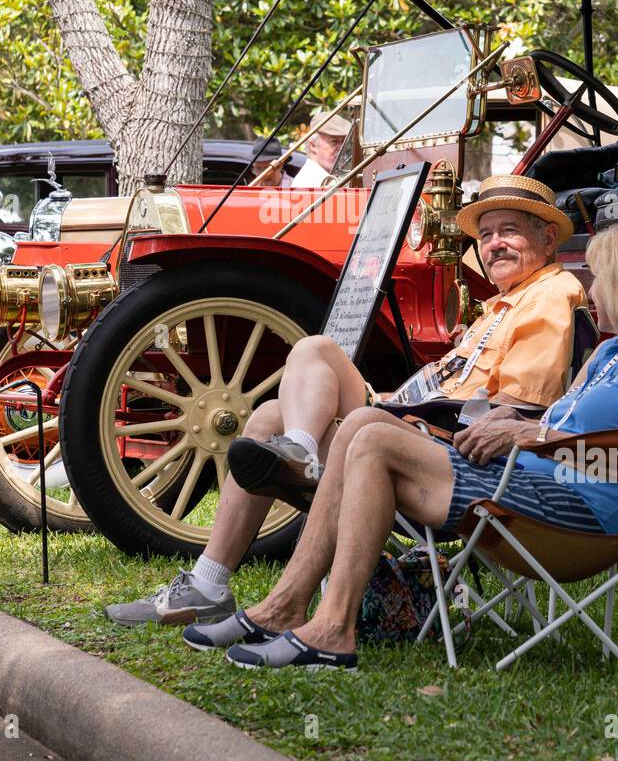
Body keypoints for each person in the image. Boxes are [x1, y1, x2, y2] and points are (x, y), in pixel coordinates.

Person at [203, 218, 618, 671]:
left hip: (584, 514)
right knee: (360, 423)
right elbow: (568, 424)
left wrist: (530, 434)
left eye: (601, 277)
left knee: (374, 439)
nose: (592, 289)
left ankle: (330, 626)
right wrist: (516, 418)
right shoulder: (613, 351)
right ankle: (287, 607)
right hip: (532, 483)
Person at [105, 174, 585, 629]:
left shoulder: (550, 296)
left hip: (454, 447)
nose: (494, 243)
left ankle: (297, 458)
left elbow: (514, 411)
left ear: (547, 238)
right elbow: (457, 379)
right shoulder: (503, 302)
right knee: (270, 413)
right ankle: (210, 581)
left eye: (509, 231)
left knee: (313, 352)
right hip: (420, 417)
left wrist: (417, 413)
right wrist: (403, 400)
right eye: (486, 234)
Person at [289, 109, 351, 187]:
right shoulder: (309, 181)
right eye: (334, 142)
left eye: (343, 142)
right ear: (313, 146)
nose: (341, 148)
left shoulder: (326, 178)